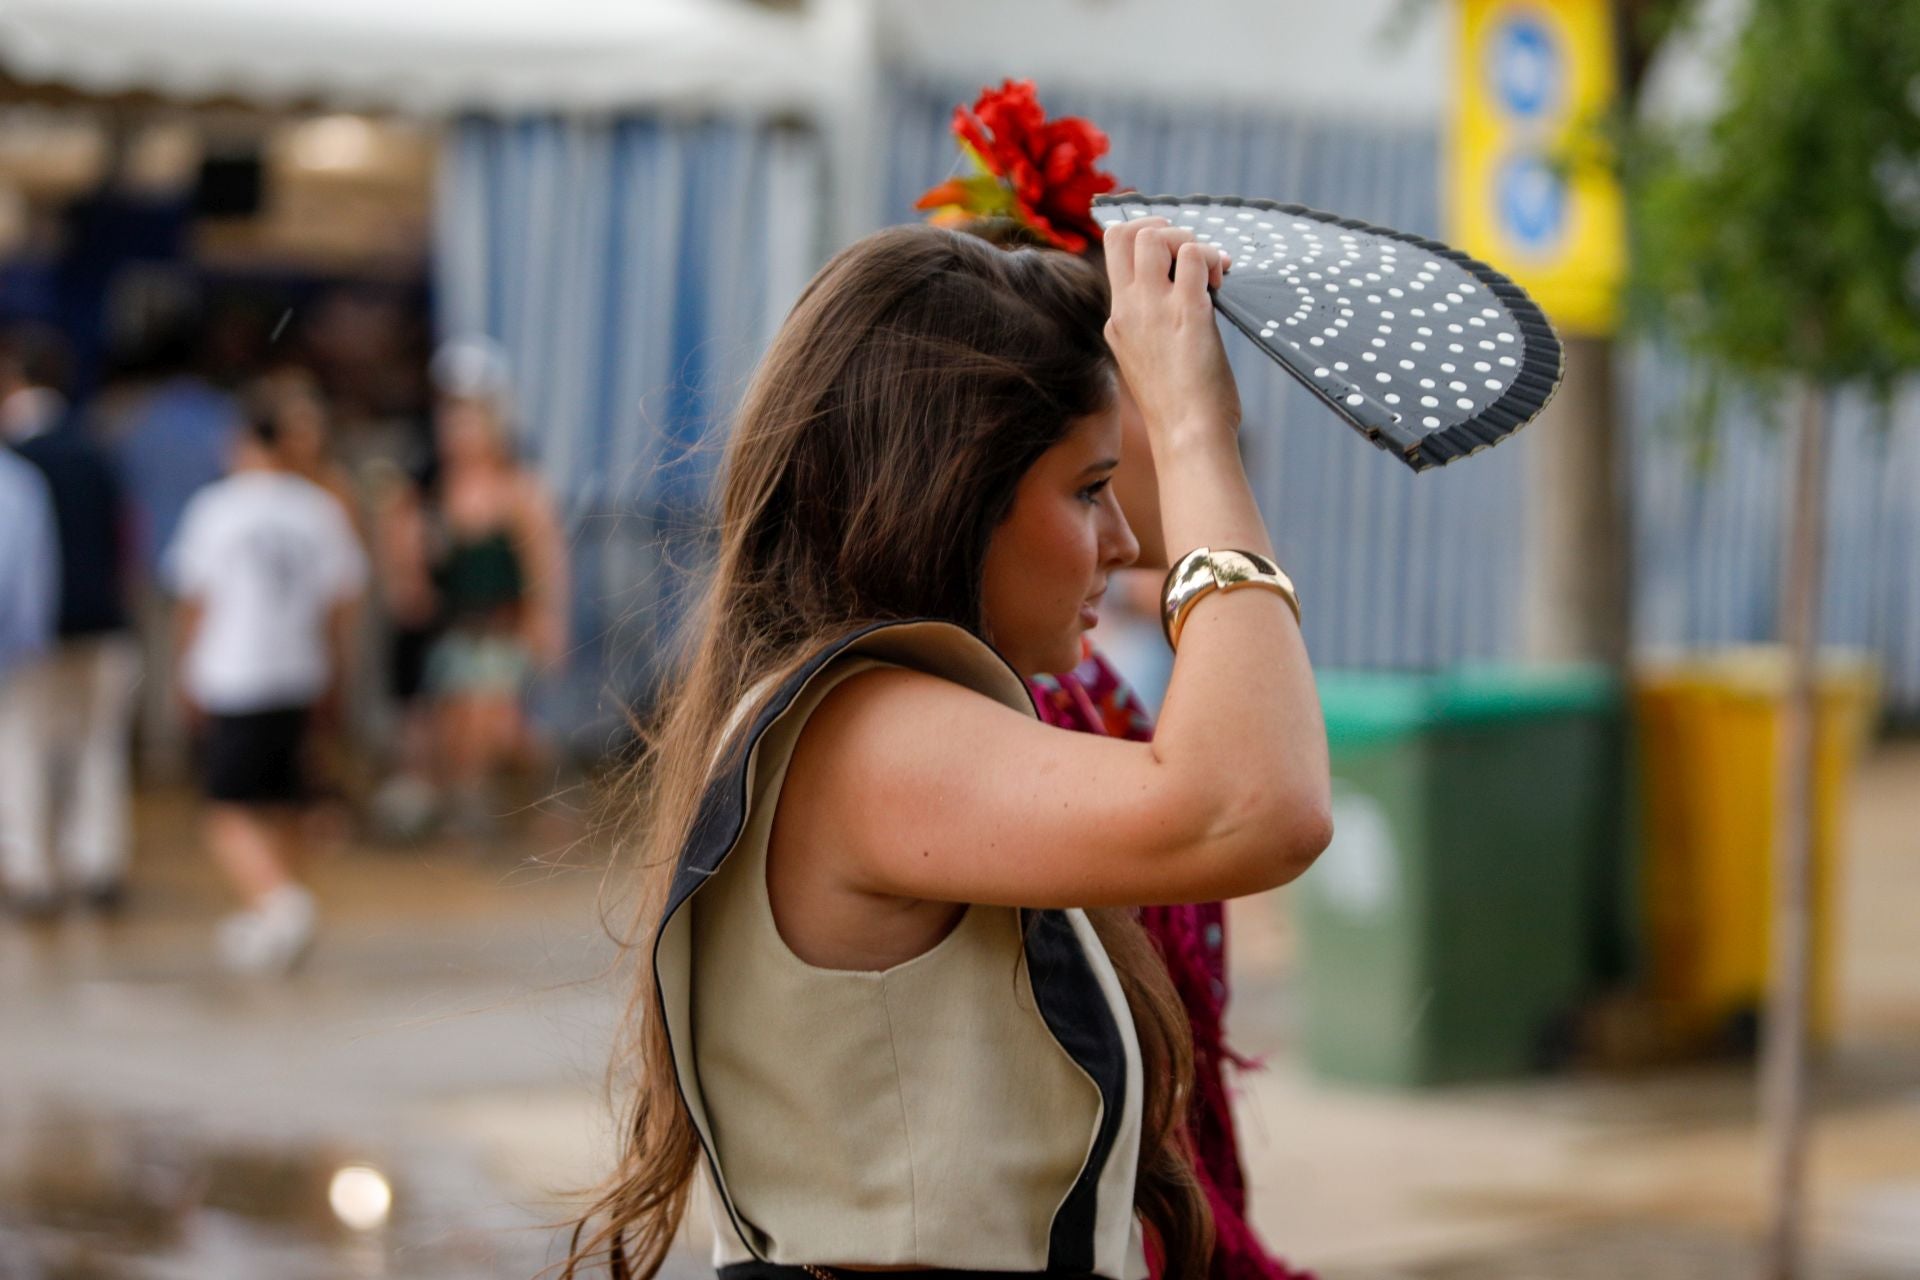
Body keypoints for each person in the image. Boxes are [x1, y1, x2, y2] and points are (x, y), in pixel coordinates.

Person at [564, 220, 1331, 1280]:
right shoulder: (870, 735)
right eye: (1088, 488)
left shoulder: (872, 718)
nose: (1121, 542)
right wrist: (1198, 429)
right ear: (956, 492)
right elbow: (1257, 804)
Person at [165, 395, 367, 974]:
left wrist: (185, 666)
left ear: (244, 444)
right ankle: (274, 914)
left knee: (225, 810)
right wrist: (333, 662)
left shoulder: (218, 508)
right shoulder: (317, 508)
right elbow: (342, 598)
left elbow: (194, 597)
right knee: (281, 800)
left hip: (235, 673)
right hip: (298, 671)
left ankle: (281, 902)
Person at [376, 338, 568, 839]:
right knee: (454, 727)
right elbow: (406, 578)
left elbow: (545, 563)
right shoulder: (429, 491)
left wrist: (546, 622)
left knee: (497, 724)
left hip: (503, 630)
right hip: (455, 630)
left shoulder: (519, 487)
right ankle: (470, 809)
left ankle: (533, 797)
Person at [0, 325, 141, 915]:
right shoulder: (97, 451)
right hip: (104, 625)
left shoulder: (14, 461)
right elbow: (125, 541)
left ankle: (31, 870)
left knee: (23, 749)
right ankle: (98, 862)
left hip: (34, 636)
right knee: (98, 749)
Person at [0, 445, 61, 918]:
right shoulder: (20, 480)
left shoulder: (18, 481)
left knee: (19, 757)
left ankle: (27, 868)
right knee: (18, 758)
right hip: (15, 648)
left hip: (12, 650)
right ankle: (28, 867)